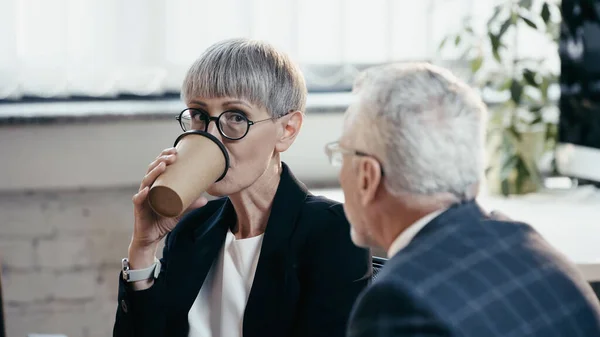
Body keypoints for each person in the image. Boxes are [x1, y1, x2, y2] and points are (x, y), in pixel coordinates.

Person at [113, 38, 371, 337]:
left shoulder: (331, 232)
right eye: (199, 115)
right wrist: (143, 248)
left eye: (236, 116)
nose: (211, 135)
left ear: (287, 130)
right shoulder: (192, 229)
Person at [324, 62, 600, 336]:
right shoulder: (542, 256)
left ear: (367, 177)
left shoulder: (398, 303)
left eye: (342, 155)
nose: (340, 175)